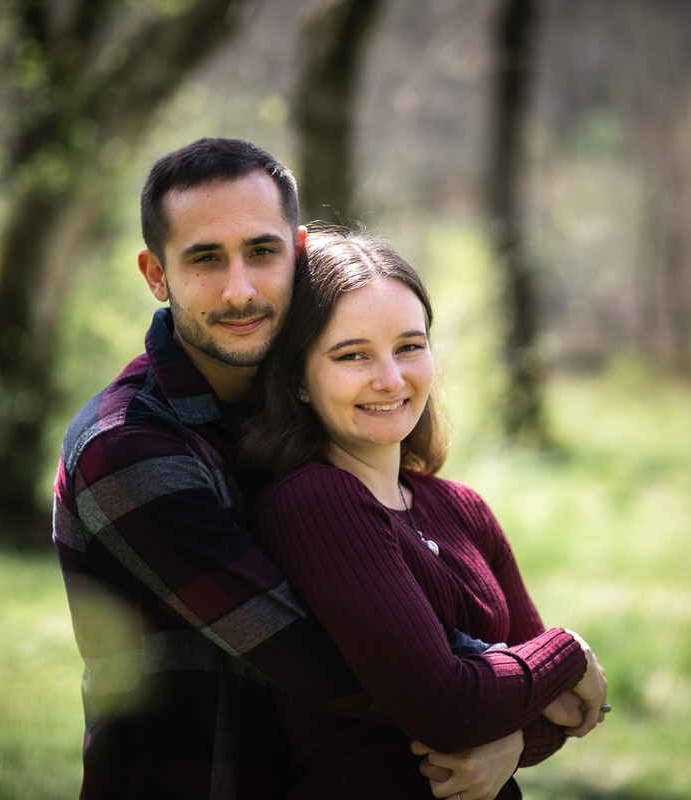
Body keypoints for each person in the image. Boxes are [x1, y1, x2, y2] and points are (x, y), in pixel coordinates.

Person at [52, 138, 605, 800]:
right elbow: (339, 662)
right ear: (155, 274)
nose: (240, 288)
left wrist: (514, 735)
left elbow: (421, 672)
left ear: (298, 250)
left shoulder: (293, 420)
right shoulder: (129, 451)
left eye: (262, 251)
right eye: (204, 259)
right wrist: (539, 676)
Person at [237, 228, 609, 799]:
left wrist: (508, 744)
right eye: (353, 354)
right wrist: (571, 652)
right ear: (298, 381)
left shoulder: (460, 508)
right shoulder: (314, 502)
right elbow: (449, 707)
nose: (390, 378)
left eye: (409, 346)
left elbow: (560, 712)